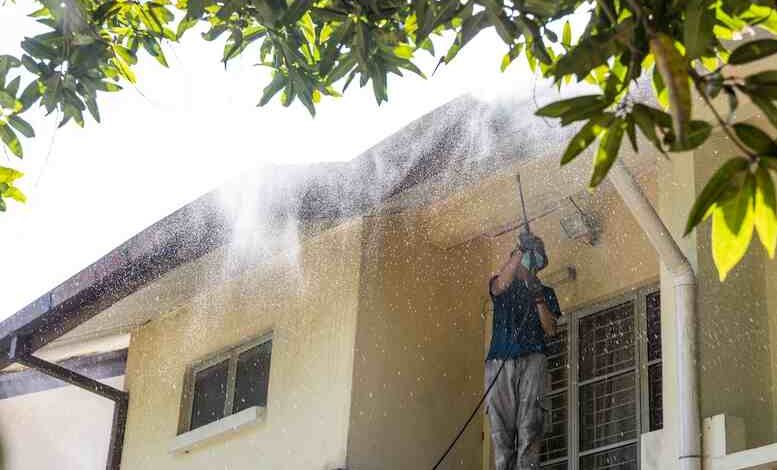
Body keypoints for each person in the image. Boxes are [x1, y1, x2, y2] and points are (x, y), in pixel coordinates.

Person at [485, 236, 561, 470]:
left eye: (531, 262)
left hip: (533, 359)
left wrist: (537, 295)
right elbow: (500, 285)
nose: (525, 267)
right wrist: (519, 250)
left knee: (530, 425)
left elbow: (550, 329)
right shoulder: (502, 284)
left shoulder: (545, 292)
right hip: (500, 361)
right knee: (501, 432)